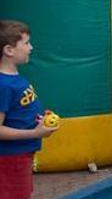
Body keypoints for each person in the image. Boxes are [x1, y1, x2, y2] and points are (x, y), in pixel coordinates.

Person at [0, 21, 57, 199]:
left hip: (21, 156)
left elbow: (17, 111)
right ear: (9, 50)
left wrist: (38, 119)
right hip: (11, 159)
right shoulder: (4, 85)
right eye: (26, 43)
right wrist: (35, 133)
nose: (30, 48)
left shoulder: (16, 78)